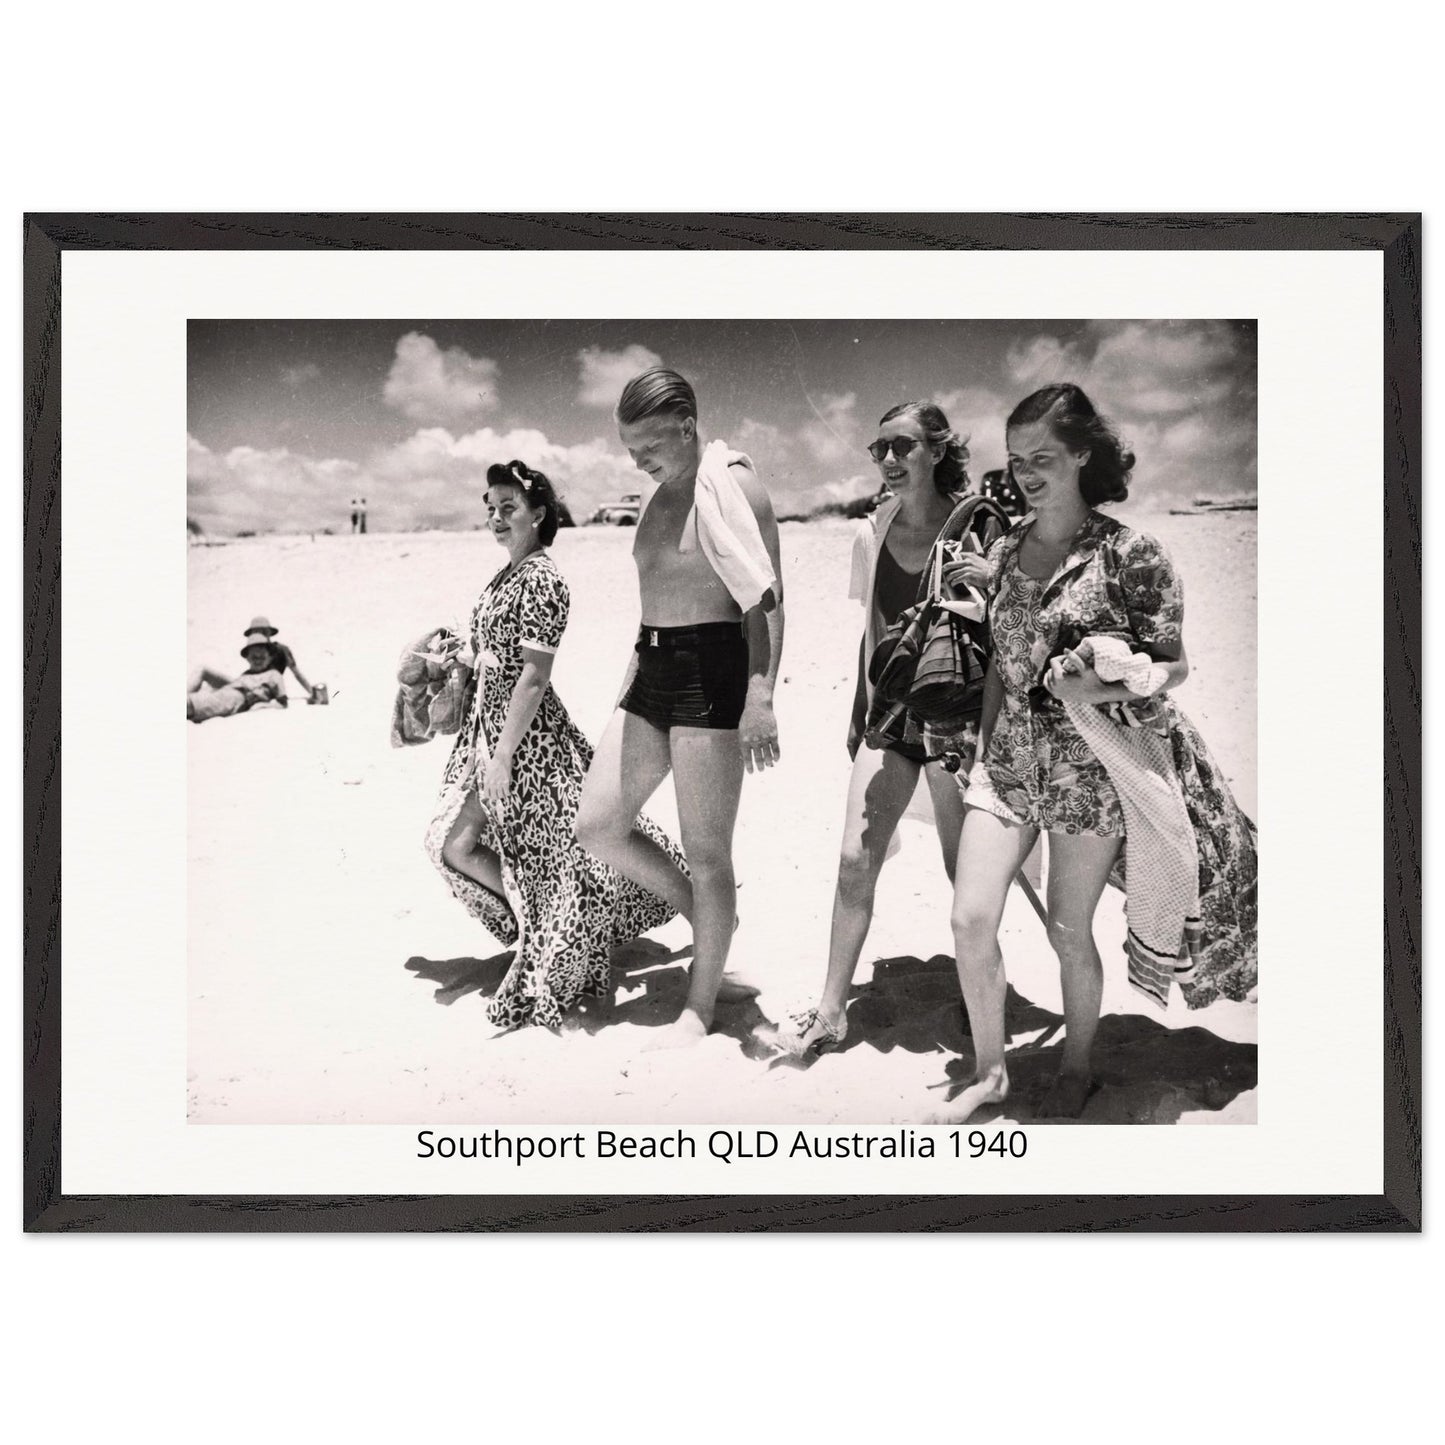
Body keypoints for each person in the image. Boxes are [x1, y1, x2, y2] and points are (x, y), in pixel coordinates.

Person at [936, 383, 1258, 1123]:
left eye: (1042, 457)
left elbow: (1173, 664)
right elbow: (1000, 663)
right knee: (967, 917)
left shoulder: (1130, 553)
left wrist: (1104, 685)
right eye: (1016, 461)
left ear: (1084, 453)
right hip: (1009, 765)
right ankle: (990, 1072)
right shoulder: (1008, 548)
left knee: (1064, 927)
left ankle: (1077, 1062)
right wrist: (984, 754)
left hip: (1092, 771)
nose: (1025, 474)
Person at [774, 400, 1009, 1057]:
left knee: (964, 871)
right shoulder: (870, 529)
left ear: (937, 450)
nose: (886, 460)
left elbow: (1011, 629)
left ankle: (975, 991)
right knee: (855, 860)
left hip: (955, 718)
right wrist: (858, 711)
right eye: (878, 448)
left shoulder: (977, 527)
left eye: (902, 446)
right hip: (889, 718)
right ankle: (829, 1010)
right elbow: (874, 630)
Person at [424, 460, 688, 1032]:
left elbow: (534, 676)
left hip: (528, 743)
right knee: (459, 843)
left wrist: (501, 757)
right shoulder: (505, 575)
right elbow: (499, 659)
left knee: (520, 850)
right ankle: (547, 927)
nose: (495, 518)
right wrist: (460, 661)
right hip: (486, 732)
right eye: (489, 507)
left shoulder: (544, 578)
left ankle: (562, 929)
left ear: (539, 514)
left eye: (508, 508)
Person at [575, 367, 785, 1049]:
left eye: (648, 445)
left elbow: (766, 599)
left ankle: (700, 1003)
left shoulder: (733, 484)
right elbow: (650, 602)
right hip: (651, 666)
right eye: (629, 447)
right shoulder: (652, 498)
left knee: (706, 850)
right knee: (598, 822)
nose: (637, 459)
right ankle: (708, 924)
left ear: (688, 426)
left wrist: (760, 696)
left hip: (713, 669)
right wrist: (623, 690)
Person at [186, 616, 320, 720]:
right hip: (246, 682)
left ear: (269, 632)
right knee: (203, 671)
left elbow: (297, 673)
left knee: (219, 699)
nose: (260, 633)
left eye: (263, 631)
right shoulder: (252, 649)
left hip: (262, 688)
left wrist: (312, 693)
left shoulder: (281, 650)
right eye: (256, 631)